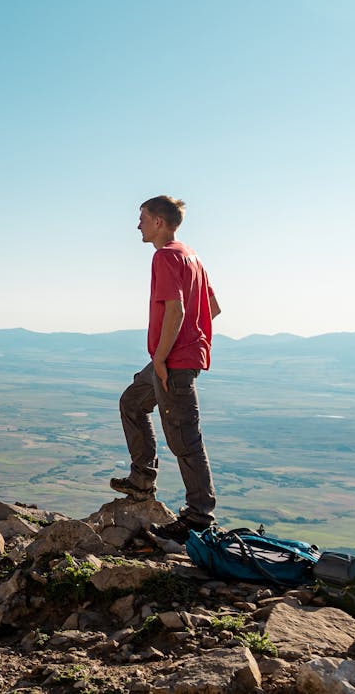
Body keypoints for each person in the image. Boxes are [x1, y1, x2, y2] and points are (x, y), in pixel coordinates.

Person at [110, 195, 221, 542]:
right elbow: (212, 308)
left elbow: (177, 310)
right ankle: (142, 479)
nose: (137, 224)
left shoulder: (166, 256)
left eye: (141, 217)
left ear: (158, 221)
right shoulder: (192, 257)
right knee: (132, 402)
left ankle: (199, 517)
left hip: (173, 361)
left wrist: (161, 357)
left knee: (184, 439)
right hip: (176, 356)